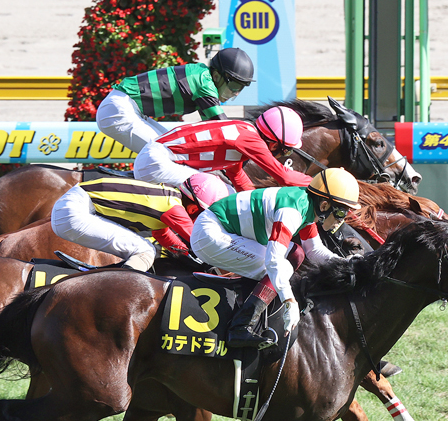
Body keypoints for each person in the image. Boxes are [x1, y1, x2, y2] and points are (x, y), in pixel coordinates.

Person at [190, 167, 361, 348]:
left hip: (222, 230)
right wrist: (289, 301)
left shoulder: (307, 205)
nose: (341, 220)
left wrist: (345, 262)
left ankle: (250, 305)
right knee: (282, 268)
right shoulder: (292, 211)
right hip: (210, 234)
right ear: (324, 206)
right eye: (341, 213)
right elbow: (274, 261)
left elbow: (314, 250)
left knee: (296, 253)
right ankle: (240, 327)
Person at [50, 172, 234, 272]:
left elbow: (163, 235)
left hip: (74, 206)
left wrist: (186, 253)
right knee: (145, 251)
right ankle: (115, 284)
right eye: (201, 216)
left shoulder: (170, 198)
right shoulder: (173, 208)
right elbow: (202, 239)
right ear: (193, 209)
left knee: (144, 248)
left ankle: (111, 275)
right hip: (75, 210)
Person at [96, 47, 255, 153]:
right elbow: (225, 129)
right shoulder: (204, 84)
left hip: (127, 108)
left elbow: (213, 131)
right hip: (119, 110)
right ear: (217, 76)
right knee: (167, 155)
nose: (235, 93)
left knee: (174, 150)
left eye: (241, 88)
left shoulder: (203, 77)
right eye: (234, 85)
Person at [133, 104, 311, 194]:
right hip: (156, 162)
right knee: (217, 192)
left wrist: (253, 203)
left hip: (155, 157)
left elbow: (236, 175)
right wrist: (320, 181)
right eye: (286, 151)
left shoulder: (244, 130)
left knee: (228, 193)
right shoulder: (250, 139)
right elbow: (284, 177)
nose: (284, 155)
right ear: (274, 144)